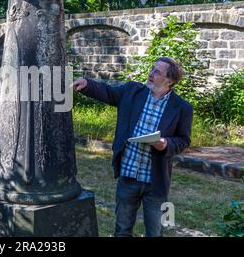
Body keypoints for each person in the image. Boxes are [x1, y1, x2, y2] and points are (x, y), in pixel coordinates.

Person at [72, 56, 193, 237]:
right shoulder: (133, 91)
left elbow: (183, 140)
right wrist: (87, 84)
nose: (151, 73)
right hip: (128, 175)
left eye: (157, 72)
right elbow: (109, 93)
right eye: (152, 69)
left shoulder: (182, 107)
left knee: (155, 232)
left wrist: (165, 144)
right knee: (122, 230)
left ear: (170, 81)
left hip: (156, 181)